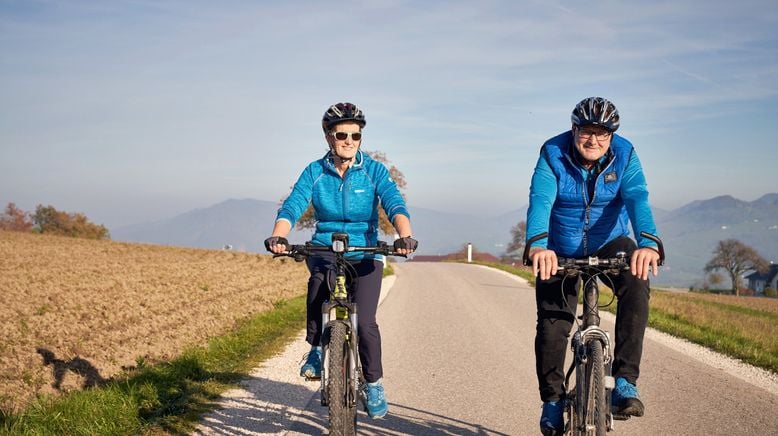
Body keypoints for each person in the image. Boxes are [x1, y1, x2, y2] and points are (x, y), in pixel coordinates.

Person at [265, 102, 417, 419]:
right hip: (325, 248)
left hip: (365, 252)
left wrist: (404, 235)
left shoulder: (374, 171)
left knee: (367, 323)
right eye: (342, 134)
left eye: (356, 135)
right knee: (318, 285)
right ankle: (317, 349)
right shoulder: (314, 171)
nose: (349, 140)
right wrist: (279, 235)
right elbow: (293, 205)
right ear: (328, 137)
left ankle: (374, 384)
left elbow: (394, 202)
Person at [525, 97, 661, 435]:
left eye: (603, 134)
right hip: (559, 247)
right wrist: (539, 246)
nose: (594, 140)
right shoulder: (552, 152)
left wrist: (648, 243)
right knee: (553, 326)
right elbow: (540, 199)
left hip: (610, 241)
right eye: (587, 132)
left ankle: (626, 381)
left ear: (612, 136)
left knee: (637, 279)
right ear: (574, 130)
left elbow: (637, 197)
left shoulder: (626, 154)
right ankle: (553, 400)